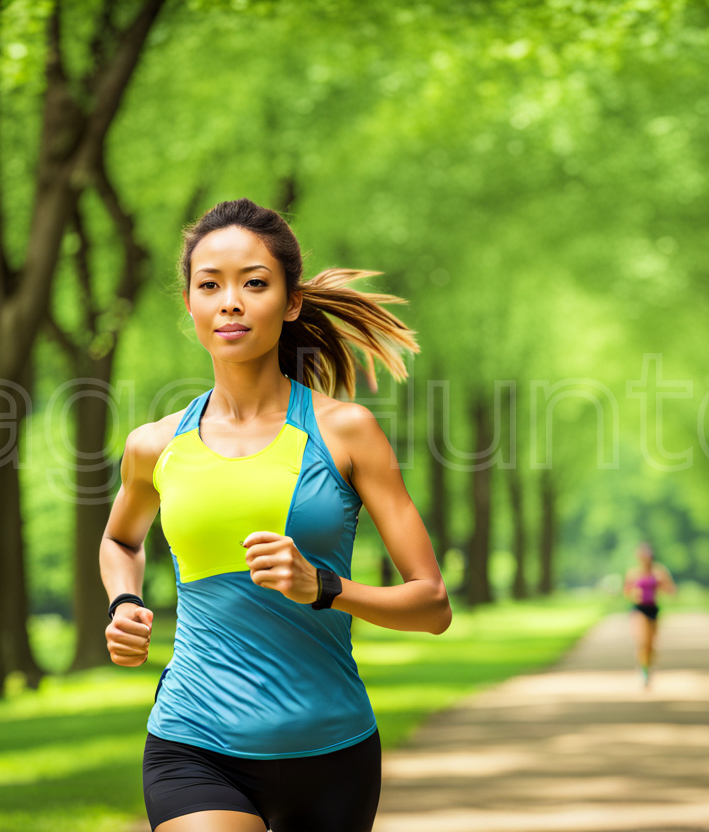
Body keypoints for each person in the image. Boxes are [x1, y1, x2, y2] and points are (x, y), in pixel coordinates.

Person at [98, 198, 452, 832]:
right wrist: (124, 604)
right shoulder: (154, 445)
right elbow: (120, 540)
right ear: (190, 304)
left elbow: (432, 605)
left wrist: (325, 587)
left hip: (332, 750)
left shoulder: (345, 432)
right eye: (209, 285)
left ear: (289, 302)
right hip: (194, 740)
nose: (229, 302)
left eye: (253, 284)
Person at [622, 542, 676, 689]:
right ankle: (644, 670)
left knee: (651, 644)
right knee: (643, 640)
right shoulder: (633, 573)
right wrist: (634, 592)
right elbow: (626, 590)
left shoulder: (659, 571)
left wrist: (662, 586)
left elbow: (670, 589)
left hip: (653, 609)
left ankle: (647, 666)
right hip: (639, 609)